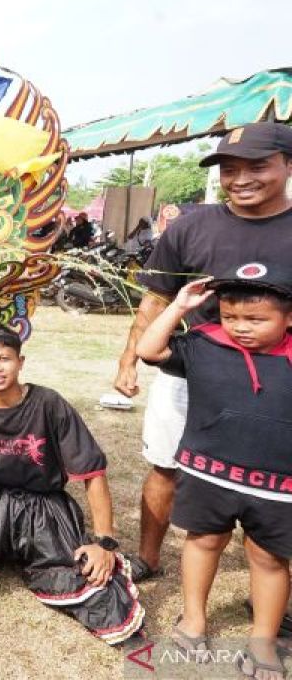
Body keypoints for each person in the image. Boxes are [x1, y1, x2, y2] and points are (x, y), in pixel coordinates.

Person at [114, 122, 292, 582]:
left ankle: (273, 582)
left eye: (258, 166)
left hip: (277, 383)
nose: (242, 179)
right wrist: (128, 359)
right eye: (230, 169)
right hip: (188, 372)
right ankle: (148, 558)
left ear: (287, 166)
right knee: (165, 465)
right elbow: (155, 298)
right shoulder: (194, 226)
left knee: (278, 486)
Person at [0, 322, 145, 645]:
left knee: (88, 580)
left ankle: (22, 551)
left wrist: (104, 542)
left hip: (43, 506)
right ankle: (2, 550)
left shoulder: (49, 403)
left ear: (20, 362)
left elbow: (92, 473)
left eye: (4, 358)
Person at [136, 268, 292, 678]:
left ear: (289, 317)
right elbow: (149, 350)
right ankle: (193, 622)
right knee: (203, 542)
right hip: (208, 475)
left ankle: (263, 641)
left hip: (278, 486)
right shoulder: (204, 344)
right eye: (230, 317)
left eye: (256, 320)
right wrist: (179, 307)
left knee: (269, 559)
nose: (240, 328)